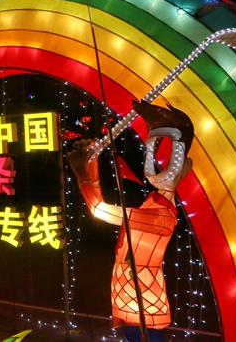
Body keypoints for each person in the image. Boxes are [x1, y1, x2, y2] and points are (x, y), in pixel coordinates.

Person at [68, 101, 194, 342]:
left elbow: (98, 209)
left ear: (184, 169)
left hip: (145, 300)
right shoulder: (152, 206)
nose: (157, 166)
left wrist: (83, 172)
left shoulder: (160, 218)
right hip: (127, 292)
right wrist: (90, 165)